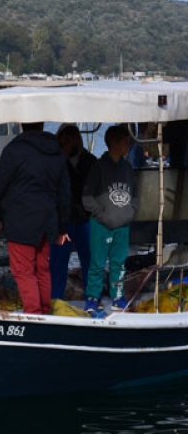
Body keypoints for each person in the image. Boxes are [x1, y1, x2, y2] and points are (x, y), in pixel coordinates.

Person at [0, 122, 70, 315]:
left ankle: (34, 315)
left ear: (22, 123)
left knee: (23, 271)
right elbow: (64, 193)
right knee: (42, 269)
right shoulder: (56, 150)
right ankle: (44, 312)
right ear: (42, 124)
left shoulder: (15, 150)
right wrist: (62, 226)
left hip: (21, 219)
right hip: (47, 219)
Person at [82, 125, 138, 313]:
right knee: (97, 264)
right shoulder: (98, 167)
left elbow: (135, 193)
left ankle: (118, 296)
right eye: (126, 142)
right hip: (101, 225)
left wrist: (131, 212)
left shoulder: (127, 167)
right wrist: (103, 216)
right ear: (115, 143)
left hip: (123, 225)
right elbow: (87, 198)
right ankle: (92, 297)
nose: (129, 145)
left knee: (119, 263)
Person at [50, 124, 97, 300]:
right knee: (58, 262)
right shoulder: (55, 161)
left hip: (86, 218)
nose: (68, 141)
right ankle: (55, 299)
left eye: (71, 137)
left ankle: (92, 298)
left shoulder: (90, 161)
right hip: (63, 220)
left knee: (90, 260)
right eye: (64, 138)